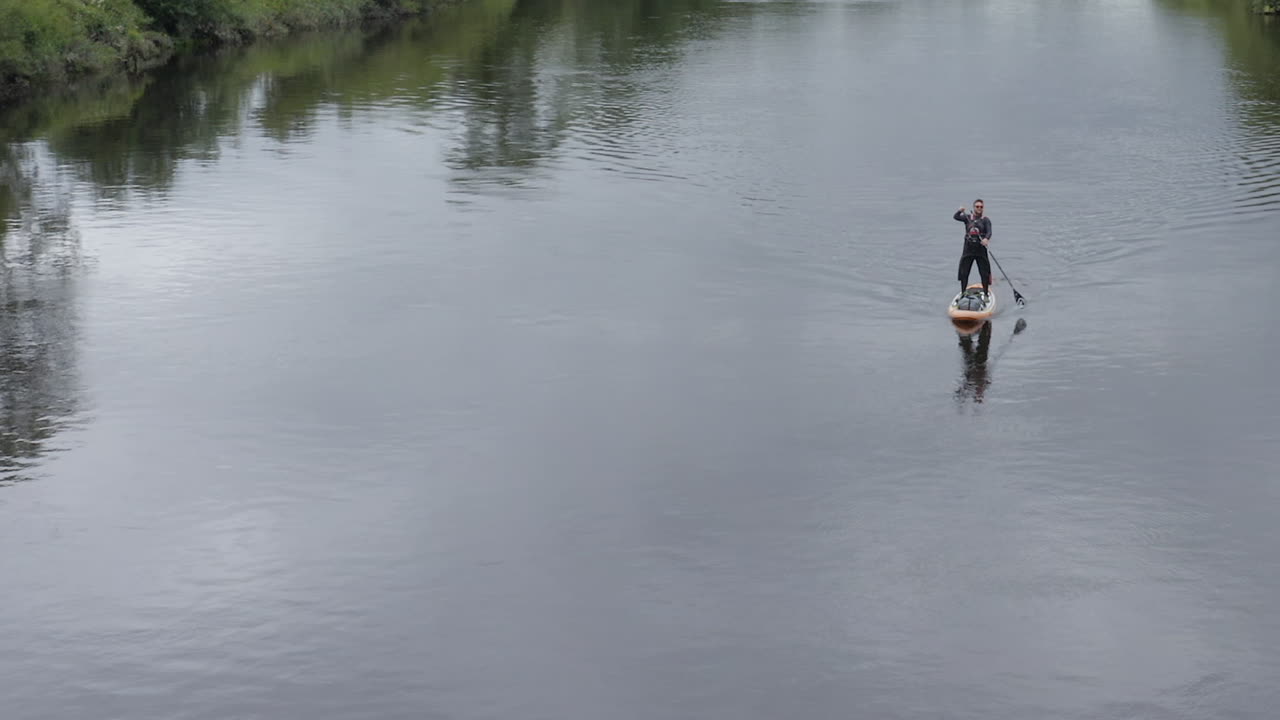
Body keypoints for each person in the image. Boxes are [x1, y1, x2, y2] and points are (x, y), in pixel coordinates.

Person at [953, 199, 992, 297]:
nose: (979, 208)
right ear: (974, 207)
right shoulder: (967, 218)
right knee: (964, 272)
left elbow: (989, 232)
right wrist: (960, 211)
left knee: (984, 273)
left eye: (981, 207)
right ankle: (963, 292)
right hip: (968, 250)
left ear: (983, 208)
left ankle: (986, 294)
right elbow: (956, 217)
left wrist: (986, 239)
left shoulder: (986, 220)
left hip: (980, 250)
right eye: (977, 206)